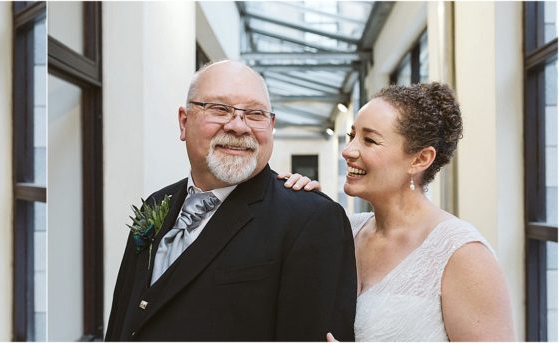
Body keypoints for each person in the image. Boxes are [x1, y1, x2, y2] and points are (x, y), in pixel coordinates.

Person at [103, 60, 357, 341]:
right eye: (220, 109)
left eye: (255, 114)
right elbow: (125, 314)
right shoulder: (155, 204)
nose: (238, 126)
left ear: (270, 125)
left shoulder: (311, 218)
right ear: (184, 122)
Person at [282, 82, 515, 341]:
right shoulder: (344, 230)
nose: (348, 151)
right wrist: (298, 202)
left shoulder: (463, 255)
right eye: (352, 136)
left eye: (369, 140)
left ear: (420, 159)